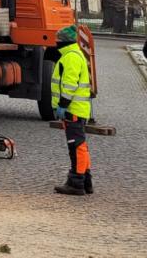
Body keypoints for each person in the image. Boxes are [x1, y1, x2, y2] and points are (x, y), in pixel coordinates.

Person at [51, 24, 94, 196]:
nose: (56, 42)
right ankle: (86, 181)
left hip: (72, 109)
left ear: (63, 41)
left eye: (58, 39)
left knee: (76, 147)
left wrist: (62, 105)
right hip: (77, 109)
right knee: (80, 146)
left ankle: (76, 183)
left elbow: (69, 84)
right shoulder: (74, 54)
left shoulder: (70, 57)